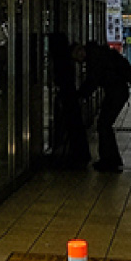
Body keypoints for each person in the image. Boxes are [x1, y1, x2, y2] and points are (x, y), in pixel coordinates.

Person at [79, 40, 131, 173]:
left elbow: (93, 80)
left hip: (116, 92)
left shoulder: (95, 58)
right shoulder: (101, 53)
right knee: (105, 124)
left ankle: (109, 160)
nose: (79, 61)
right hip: (118, 91)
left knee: (103, 124)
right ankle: (111, 158)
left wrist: (80, 94)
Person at [49, 32, 85, 168]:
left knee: (69, 125)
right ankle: (78, 154)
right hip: (71, 97)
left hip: (67, 97)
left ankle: (74, 155)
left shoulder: (60, 61)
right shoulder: (66, 60)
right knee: (74, 126)